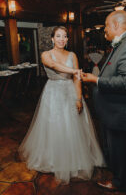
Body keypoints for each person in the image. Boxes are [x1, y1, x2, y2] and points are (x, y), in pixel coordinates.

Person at [19, 26, 104, 184]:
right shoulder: (46, 55)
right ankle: (54, 159)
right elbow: (54, 66)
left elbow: (76, 79)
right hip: (53, 93)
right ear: (52, 38)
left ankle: (74, 159)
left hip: (70, 92)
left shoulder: (72, 55)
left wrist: (78, 98)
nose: (62, 39)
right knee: (54, 126)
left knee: (73, 127)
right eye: (58, 36)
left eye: (64, 36)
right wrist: (74, 70)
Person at [81, 10, 126, 191]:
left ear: (115, 25)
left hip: (122, 113)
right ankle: (115, 173)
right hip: (113, 111)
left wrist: (95, 80)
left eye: (106, 25)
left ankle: (120, 183)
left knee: (120, 153)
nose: (105, 29)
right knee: (114, 151)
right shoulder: (122, 44)